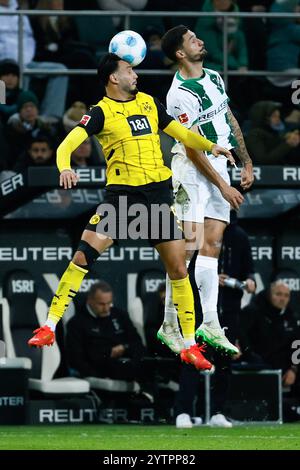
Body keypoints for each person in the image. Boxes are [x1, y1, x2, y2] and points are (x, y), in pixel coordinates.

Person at [28, 52, 237, 370]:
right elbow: (65, 145)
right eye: (129, 70)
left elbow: (179, 133)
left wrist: (211, 146)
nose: (135, 74)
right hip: (122, 200)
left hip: (156, 197)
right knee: (83, 256)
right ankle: (48, 328)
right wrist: (65, 167)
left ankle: (190, 346)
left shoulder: (150, 103)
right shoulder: (100, 112)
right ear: (114, 77)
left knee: (179, 270)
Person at [157, 25, 254, 357]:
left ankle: (209, 322)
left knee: (212, 245)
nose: (200, 40)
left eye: (197, 35)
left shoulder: (213, 76)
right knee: (187, 249)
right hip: (191, 171)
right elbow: (194, 149)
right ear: (181, 54)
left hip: (221, 167)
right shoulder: (179, 94)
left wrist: (246, 159)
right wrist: (223, 186)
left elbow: (227, 116)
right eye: (192, 40)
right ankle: (169, 323)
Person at [66, 280, 154, 401]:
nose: (106, 309)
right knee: (130, 367)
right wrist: (108, 354)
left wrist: (124, 348)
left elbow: (137, 342)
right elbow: (76, 359)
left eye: (109, 303)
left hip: (126, 360)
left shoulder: (120, 315)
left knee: (149, 360)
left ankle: (151, 400)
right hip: (99, 366)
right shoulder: (76, 323)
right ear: (90, 300)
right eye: (101, 304)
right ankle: (147, 400)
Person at [240, 280, 300, 394]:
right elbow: (242, 338)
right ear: (269, 294)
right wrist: (251, 358)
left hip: (284, 369)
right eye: (278, 294)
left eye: (286, 295)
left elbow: (297, 344)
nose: (282, 299)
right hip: (257, 366)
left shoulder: (290, 316)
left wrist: (294, 369)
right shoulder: (252, 311)